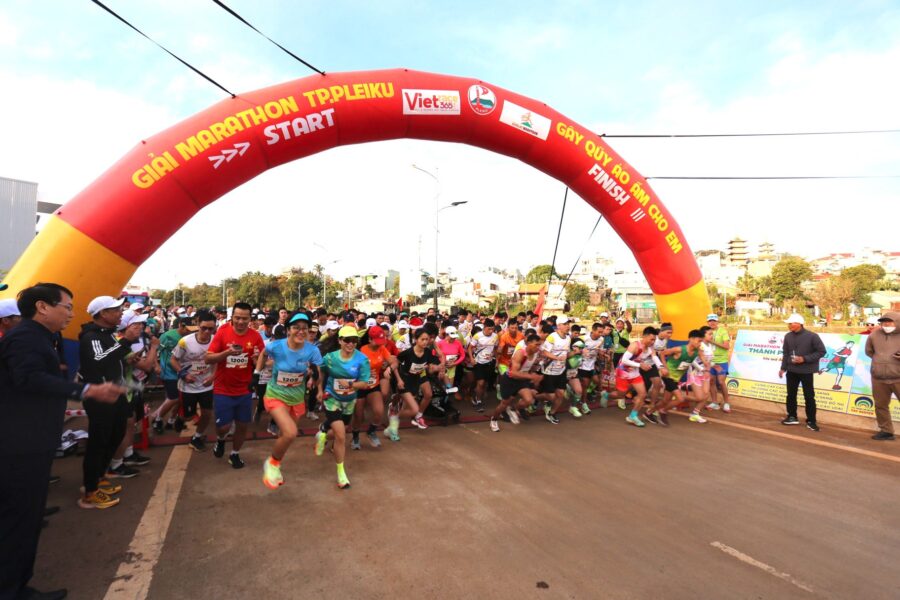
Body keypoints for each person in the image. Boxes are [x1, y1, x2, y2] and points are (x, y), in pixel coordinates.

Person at [1, 283, 123, 600]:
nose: (70, 312)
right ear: (43, 307)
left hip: (30, 438)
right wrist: (85, 391)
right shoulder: (26, 337)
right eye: (66, 306)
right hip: (21, 442)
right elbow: (27, 378)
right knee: (19, 520)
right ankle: (12, 590)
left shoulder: (38, 336)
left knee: (25, 516)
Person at [78, 295, 142, 507]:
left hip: (116, 394)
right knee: (99, 442)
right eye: (116, 309)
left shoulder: (107, 334)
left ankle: (99, 477)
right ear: (103, 314)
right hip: (101, 397)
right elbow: (100, 359)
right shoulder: (92, 336)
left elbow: (112, 358)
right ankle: (89, 492)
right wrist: (126, 341)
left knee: (116, 434)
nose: (121, 312)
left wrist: (126, 356)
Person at [257, 312, 323, 489]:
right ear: (288, 330)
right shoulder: (276, 346)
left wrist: (316, 384)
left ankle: (276, 465)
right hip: (275, 396)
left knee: (285, 436)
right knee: (291, 433)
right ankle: (272, 463)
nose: (301, 332)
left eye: (304, 328)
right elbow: (263, 354)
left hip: (297, 399)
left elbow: (318, 369)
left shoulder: (312, 350)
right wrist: (256, 374)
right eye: (296, 328)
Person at [205, 302, 265, 468]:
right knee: (223, 427)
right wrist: (227, 353)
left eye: (244, 318)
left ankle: (235, 454)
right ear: (232, 317)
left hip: (244, 390)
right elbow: (208, 358)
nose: (240, 322)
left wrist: (257, 362)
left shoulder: (255, 336)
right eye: (237, 318)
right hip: (223, 389)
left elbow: (263, 358)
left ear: (250, 319)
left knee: (242, 425)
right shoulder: (222, 333)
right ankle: (221, 439)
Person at [315, 325, 371, 489]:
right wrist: (319, 389)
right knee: (340, 436)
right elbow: (320, 371)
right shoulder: (330, 358)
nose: (351, 344)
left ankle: (323, 432)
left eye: (354, 340)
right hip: (331, 398)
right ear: (340, 341)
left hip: (349, 401)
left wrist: (352, 384)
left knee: (342, 428)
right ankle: (341, 473)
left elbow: (365, 383)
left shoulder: (362, 359)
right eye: (347, 340)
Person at [171, 310, 217, 452]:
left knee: (207, 413)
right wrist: (183, 374)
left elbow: (217, 362)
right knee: (188, 416)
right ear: (198, 325)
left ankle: (196, 437)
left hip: (206, 385)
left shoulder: (216, 341)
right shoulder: (185, 342)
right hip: (187, 387)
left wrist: (212, 377)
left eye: (211, 328)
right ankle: (180, 418)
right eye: (204, 328)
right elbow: (173, 360)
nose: (207, 331)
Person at [779, 314, 826, 431]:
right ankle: (792, 416)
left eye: (791, 323)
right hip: (791, 370)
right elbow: (785, 353)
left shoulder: (812, 336)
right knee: (791, 395)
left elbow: (821, 351)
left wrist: (804, 359)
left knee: (809, 396)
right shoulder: (788, 336)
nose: (789, 325)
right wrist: (783, 368)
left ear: (799, 324)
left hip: (806, 371)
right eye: (788, 323)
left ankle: (811, 421)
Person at [353, 326, 397, 449]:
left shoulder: (382, 349)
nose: (379, 345)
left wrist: (389, 367)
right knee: (359, 416)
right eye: (376, 342)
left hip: (374, 385)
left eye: (381, 342)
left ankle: (371, 431)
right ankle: (355, 436)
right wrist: (365, 372)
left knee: (379, 411)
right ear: (370, 339)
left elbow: (394, 361)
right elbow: (351, 370)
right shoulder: (361, 350)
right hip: (360, 387)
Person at [392, 328, 442, 435]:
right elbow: (395, 365)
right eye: (422, 339)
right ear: (416, 339)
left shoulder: (427, 352)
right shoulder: (407, 353)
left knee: (407, 407)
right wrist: (399, 380)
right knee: (413, 409)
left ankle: (395, 417)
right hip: (405, 380)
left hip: (416, 380)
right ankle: (394, 419)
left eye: (427, 340)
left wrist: (435, 368)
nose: (425, 342)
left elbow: (435, 363)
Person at [490, 333, 543, 432]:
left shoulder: (535, 354)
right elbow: (513, 373)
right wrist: (531, 376)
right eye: (536, 344)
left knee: (528, 400)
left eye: (539, 345)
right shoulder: (520, 354)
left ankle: (513, 409)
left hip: (522, 380)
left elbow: (528, 368)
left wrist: (535, 371)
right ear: (528, 343)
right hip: (509, 380)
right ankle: (494, 419)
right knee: (504, 403)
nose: (538, 347)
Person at [151, 317, 195, 434]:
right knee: (173, 398)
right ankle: (157, 419)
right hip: (169, 372)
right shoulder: (167, 336)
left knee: (180, 400)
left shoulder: (191, 337)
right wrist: (156, 365)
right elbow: (154, 350)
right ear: (181, 325)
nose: (190, 331)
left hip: (183, 372)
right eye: (187, 329)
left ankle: (171, 421)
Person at [865, 312, 900, 440]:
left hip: (898, 377)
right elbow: (869, 351)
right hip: (878, 378)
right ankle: (886, 431)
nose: (886, 324)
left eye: (889, 322)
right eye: (884, 322)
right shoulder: (874, 335)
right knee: (880, 405)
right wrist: (881, 362)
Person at [468, 318, 499, 412]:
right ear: (484, 327)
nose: (491, 331)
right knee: (480, 383)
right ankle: (479, 401)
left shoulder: (495, 336)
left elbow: (496, 348)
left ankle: (476, 394)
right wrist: (471, 359)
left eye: (492, 329)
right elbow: (470, 348)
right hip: (479, 362)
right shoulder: (477, 336)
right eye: (489, 329)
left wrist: (496, 360)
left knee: (484, 383)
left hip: (489, 363)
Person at [706, 314, 732, 413]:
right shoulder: (706, 332)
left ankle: (726, 403)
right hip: (710, 361)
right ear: (707, 322)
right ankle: (714, 402)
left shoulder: (722, 331)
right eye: (710, 321)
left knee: (721, 382)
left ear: (717, 322)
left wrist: (712, 342)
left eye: (714, 321)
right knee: (711, 382)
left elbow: (726, 346)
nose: (712, 322)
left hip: (721, 361)